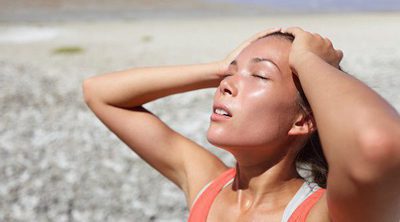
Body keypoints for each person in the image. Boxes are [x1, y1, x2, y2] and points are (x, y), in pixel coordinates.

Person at [82, 27, 400, 221]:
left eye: (260, 75)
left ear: (303, 120)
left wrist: (309, 60)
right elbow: (99, 93)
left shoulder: (324, 213)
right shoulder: (209, 187)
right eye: (230, 75)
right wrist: (219, 68)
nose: (226, 85)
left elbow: (377, 142)